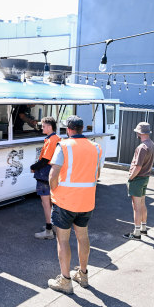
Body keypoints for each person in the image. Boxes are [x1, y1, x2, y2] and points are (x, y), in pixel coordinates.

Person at [47, 115, 103, 294]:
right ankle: (83, 275)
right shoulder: (96, 147)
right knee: (83, 236)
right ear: (81, 129)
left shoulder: (63, 146)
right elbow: (97, 174)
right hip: (87, 201)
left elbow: (52, 176)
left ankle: (65, 280)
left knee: (63, 240)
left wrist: (54, 192)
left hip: (64, 201)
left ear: (69, 130)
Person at [123, 122, 154, 240]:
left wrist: (130, 177)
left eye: (137, 131)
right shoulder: (151, 144)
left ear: (140, 133)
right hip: (145, 178)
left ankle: (136, 233)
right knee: (142, 203)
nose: (136, 133)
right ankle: (143, 228)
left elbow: (137, 166)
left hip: (138, 179)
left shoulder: (141, 147)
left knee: (136, 206)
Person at [30, 116, 60, 239]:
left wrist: (33, 166)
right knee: (52, 202)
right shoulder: (57, 138)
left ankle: (48, 231)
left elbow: (45, 160)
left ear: (49, 126)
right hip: (53, 173)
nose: (42, 128)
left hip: (45, 174)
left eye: (43, 126)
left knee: (46, 203)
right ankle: (53, 226)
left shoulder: (51, 140)